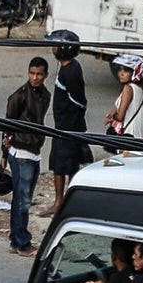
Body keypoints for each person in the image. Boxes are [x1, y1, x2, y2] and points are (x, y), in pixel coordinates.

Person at [1, 56, 51, 257]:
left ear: (45, 75)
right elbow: (7, 125)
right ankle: (23, 243)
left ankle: (16, 240)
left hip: (34, 153)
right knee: (22, 202)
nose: (35, 77)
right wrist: (4, 154)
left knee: (21, 200)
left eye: (39, 74)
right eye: (32, 73)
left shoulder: (45, 95)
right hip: (21, 154)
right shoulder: (19, 96)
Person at [43, 30, 86, 218]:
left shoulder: (72, 71)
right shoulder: (66, 68)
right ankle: (59, 201)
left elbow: (79, 100)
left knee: (67, 165)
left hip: (69, 127)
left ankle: (64, 203)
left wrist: (70, 119)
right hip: (62, 125)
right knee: (58, 165)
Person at [104, 54, 143, 141]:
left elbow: (120, 117)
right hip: (138, 135)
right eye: (120, 69)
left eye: (126, 70)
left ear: (135, 72)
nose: (121, 73)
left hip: (129, 135)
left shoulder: (128, 88)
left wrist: (111, 117)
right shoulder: (139, 88)